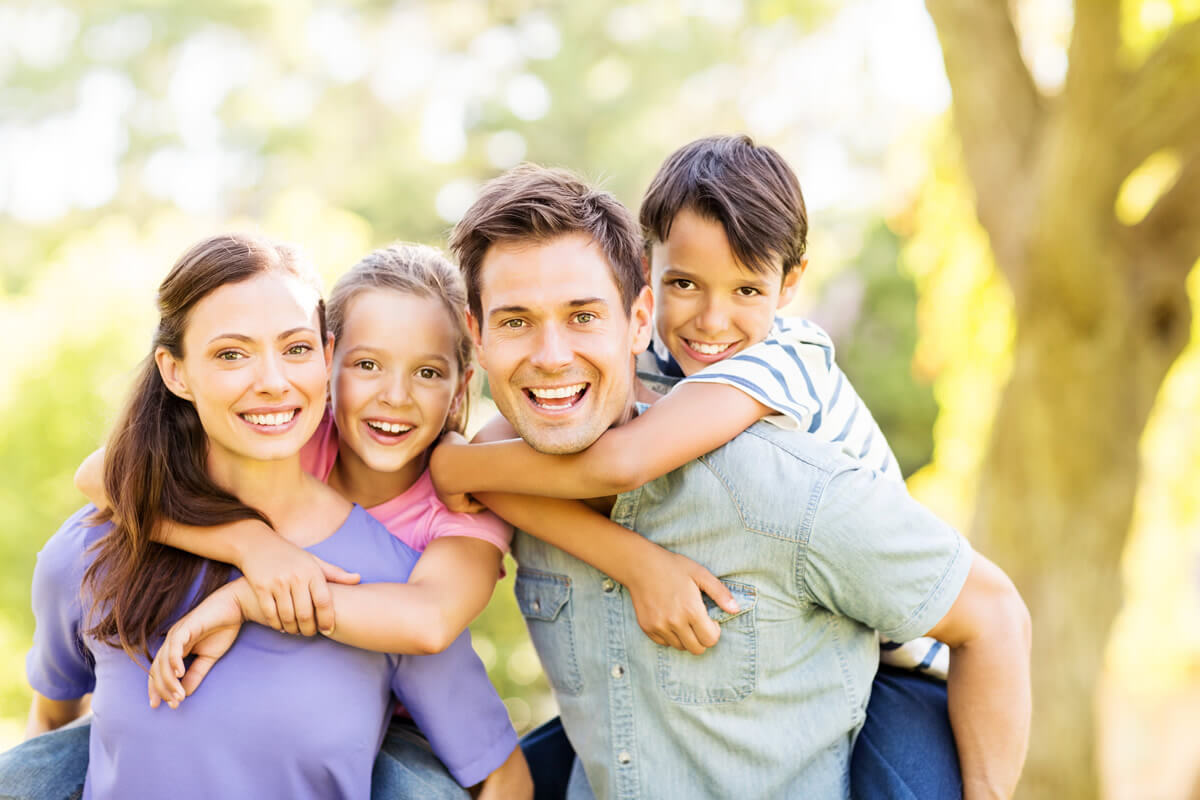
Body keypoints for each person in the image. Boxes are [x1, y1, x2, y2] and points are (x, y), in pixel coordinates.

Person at [439, 164, 1032, 799]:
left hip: (907, 663)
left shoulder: (781, 407)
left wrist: (455, 466)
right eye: (686, 284)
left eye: (582, 316)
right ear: (652, 288)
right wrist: (633, 561)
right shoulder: (624, 381)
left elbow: (622, 463)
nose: (711, 320)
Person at [0, 234, 521, 799]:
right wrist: (255, 548)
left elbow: (431, 627)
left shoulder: (413, 559)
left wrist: (254, 596)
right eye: (231, 354)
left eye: (294, 349)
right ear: (175, 372)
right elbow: (48, 736)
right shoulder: (90, 548)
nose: (272, 382)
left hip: (395, 721)